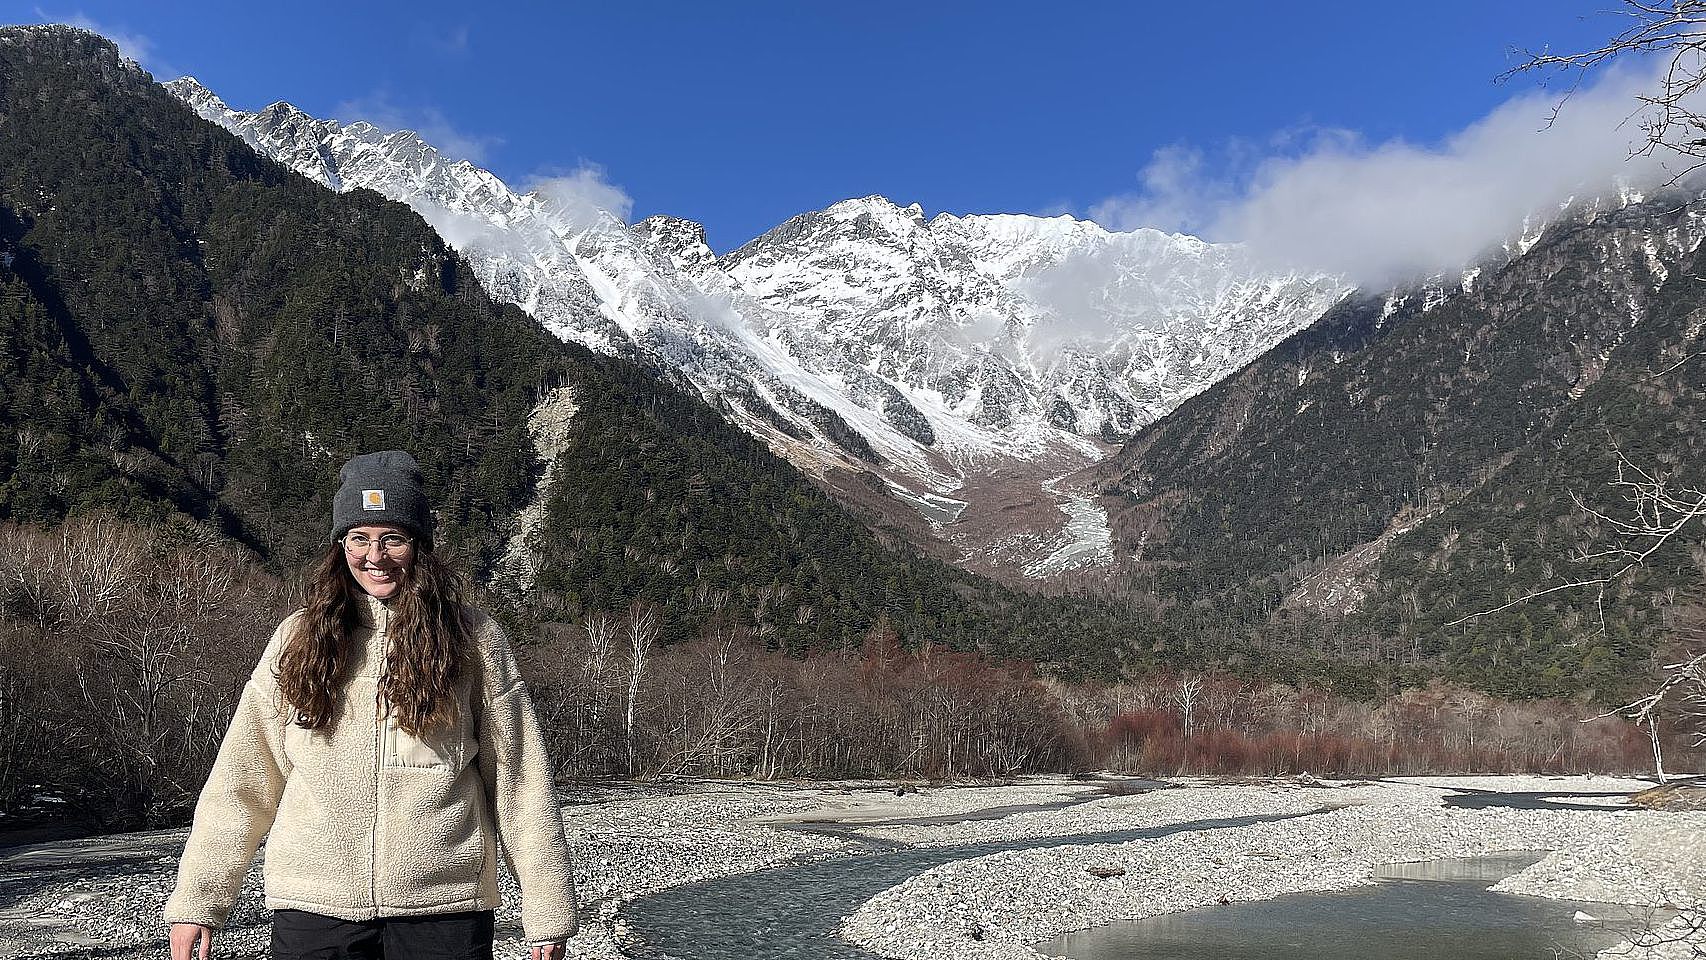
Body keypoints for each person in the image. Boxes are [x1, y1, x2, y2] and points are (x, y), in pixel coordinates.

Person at [163, 450, 576, 960]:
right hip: (315, 905)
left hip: (443, 907)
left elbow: (520, 782)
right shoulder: (297, 639)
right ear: (341, 548)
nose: (374, 556)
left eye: (393, 538)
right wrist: (199, 901)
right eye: (359, 538)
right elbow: (242, 781)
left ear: (419, 546)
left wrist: (547, 912)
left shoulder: (473, 639)